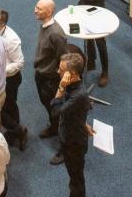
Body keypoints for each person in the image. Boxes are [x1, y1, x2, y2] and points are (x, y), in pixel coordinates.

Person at [51, 53, 94, 195]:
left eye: (61, 70)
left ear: (72, 74)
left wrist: (61, 87)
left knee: (76, 180)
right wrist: (83, 122)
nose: (58, 72)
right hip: (71, 133)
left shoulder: (78, 94)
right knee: (74, 177)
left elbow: (55, 112)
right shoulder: (74, 86)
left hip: (73, 143)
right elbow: (78, 109)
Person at [0, 9, 28, 150]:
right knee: (9, 106)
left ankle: (19, 131)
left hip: (10, 79)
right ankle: (15, 131)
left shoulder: (11, 39)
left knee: (3, 108)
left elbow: (19, 63)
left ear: (2, 24)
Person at [73, 0, 110, 86]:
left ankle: (105, 71)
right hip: (83, 6)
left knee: (100, 42)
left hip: (97, 10)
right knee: (87, 36)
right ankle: (91, 62)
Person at [34, 0, 68, 139]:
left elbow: (64, 59)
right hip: (41, 74)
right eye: (36, 6)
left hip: (50, 80)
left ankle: (64, 143)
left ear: (49, 12)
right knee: (47, 105)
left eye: (39, 9)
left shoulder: (56, 33)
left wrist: (60, 84)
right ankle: (54, 127)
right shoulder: (44, 25)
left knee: (56, 111)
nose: (35, 10)